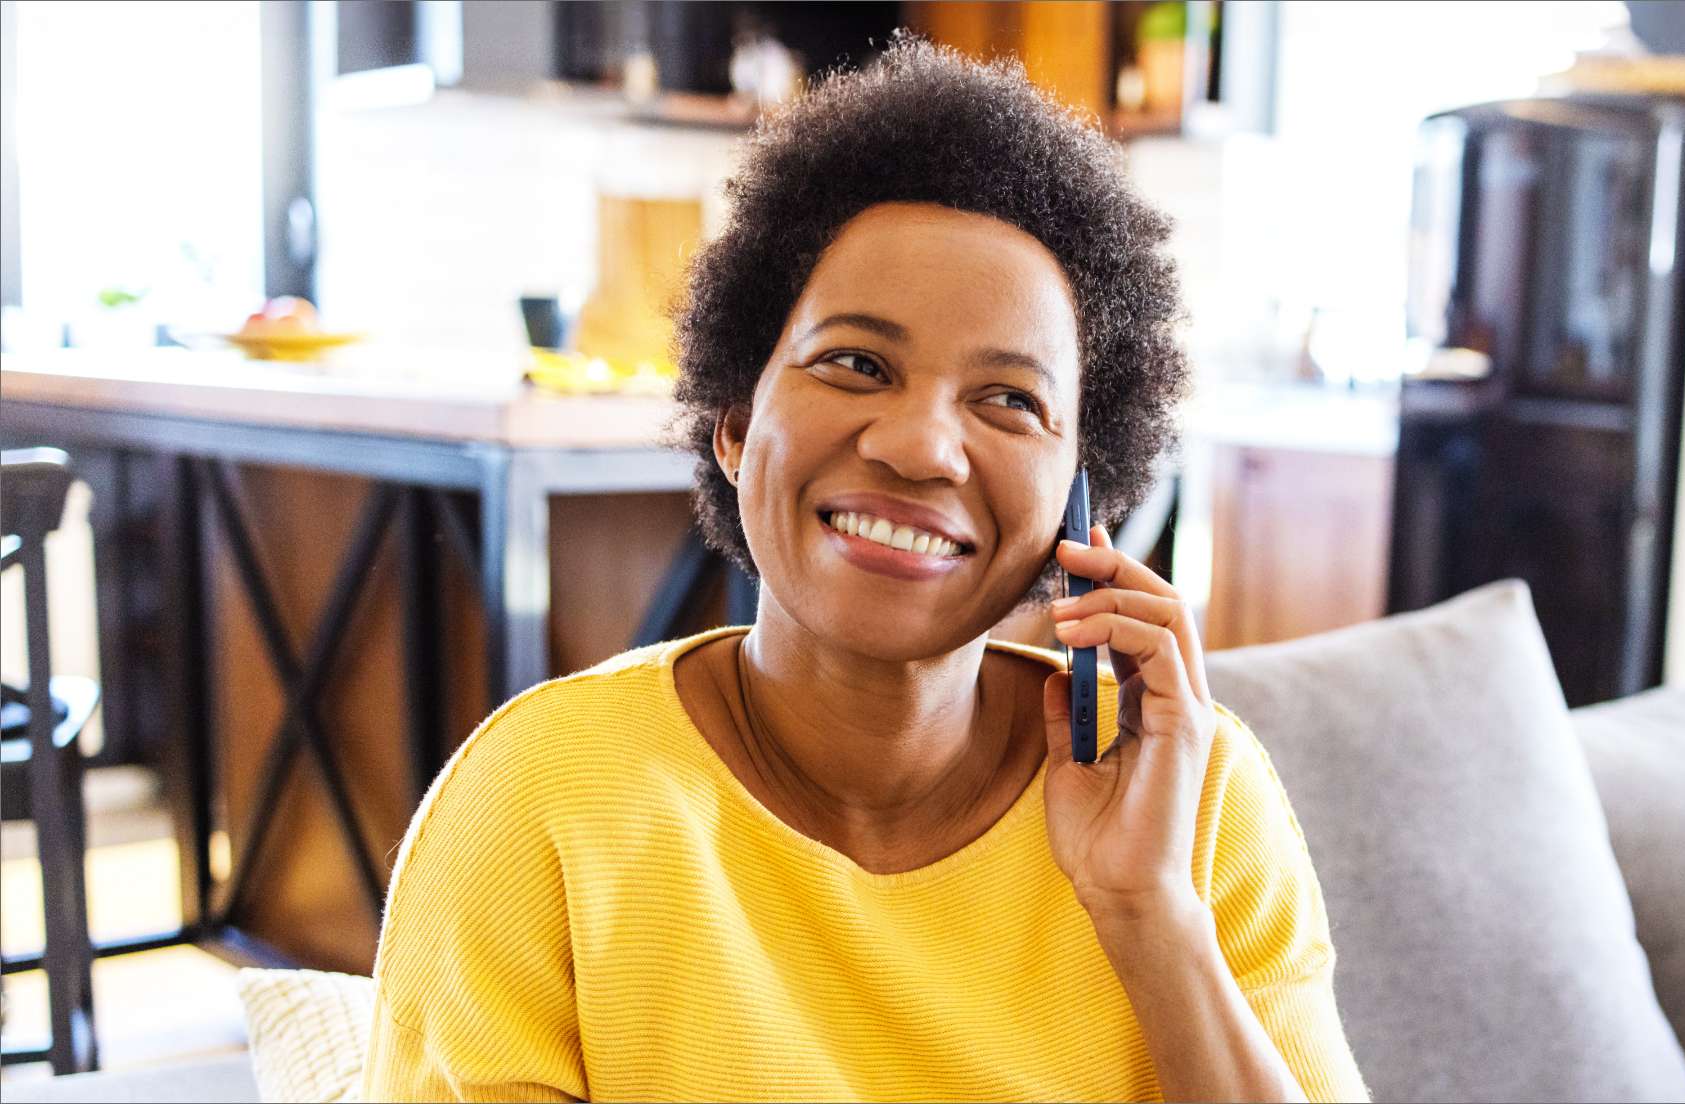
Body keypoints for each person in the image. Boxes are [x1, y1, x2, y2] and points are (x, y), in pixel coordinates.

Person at [362, 39, 1365, 1103]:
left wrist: (1150, 910)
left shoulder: (1197, 802)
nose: (922, 446)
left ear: (1085, 492)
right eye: (856, 364)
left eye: (1010, 400)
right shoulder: (541, 803)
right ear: (737, 427)